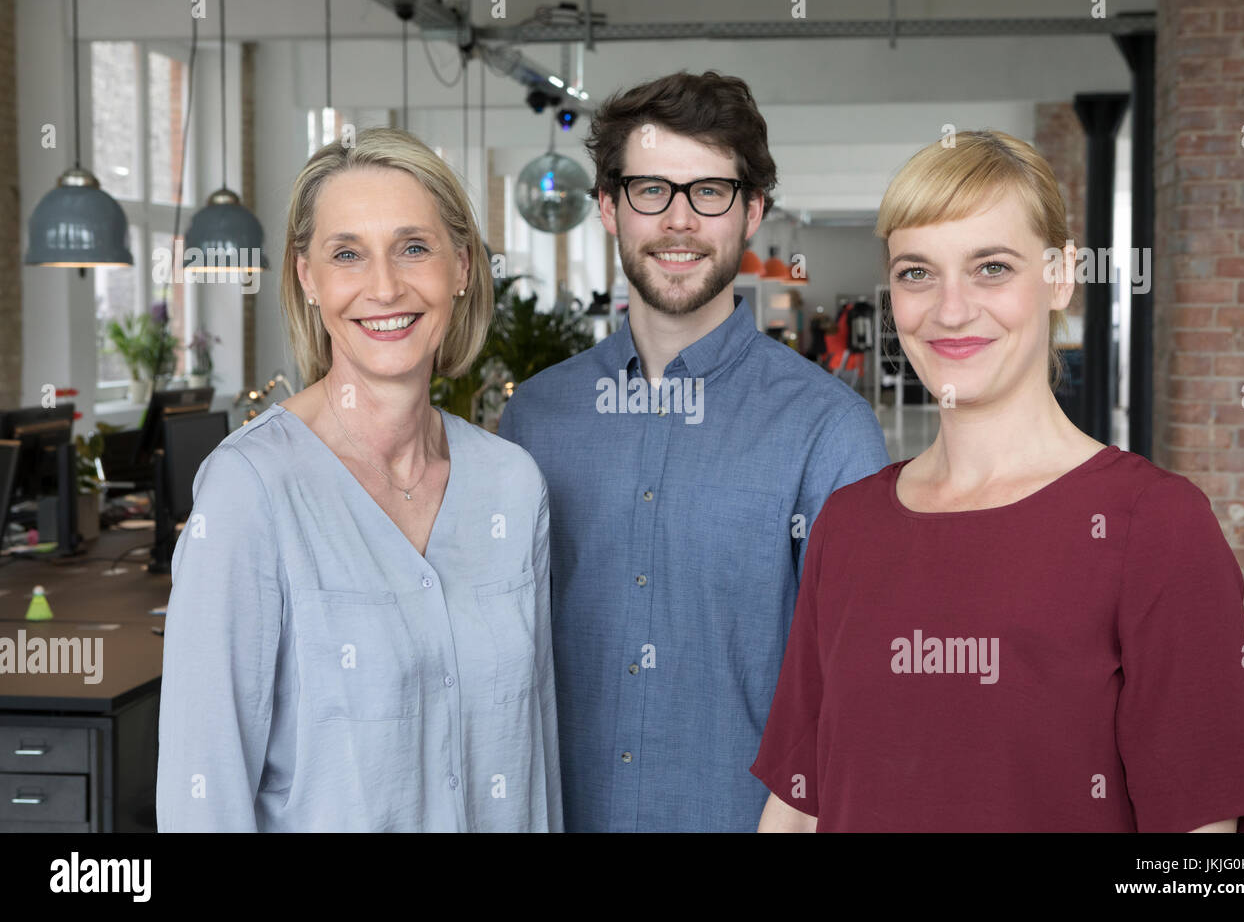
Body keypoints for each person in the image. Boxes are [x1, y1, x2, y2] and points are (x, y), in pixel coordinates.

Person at [752, 130, 1244, 832]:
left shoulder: (1154, 525)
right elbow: (798, 799)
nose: (951, 308)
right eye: (917, 272)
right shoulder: (848, 524)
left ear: (1060, 276)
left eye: (991, 267)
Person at [498, 71, 890, 832]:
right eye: (652, 190)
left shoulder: (829, 431)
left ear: (751, 211)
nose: (679, 221)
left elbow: (860, 692)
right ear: (609, 207)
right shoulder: (536, 421)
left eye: (708, 191)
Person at [156, 127, 561, 832]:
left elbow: (536, 760)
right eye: (347, 253)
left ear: (461, 267)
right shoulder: (251, 491)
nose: (384, 287)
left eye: (413, 247)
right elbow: (204, 800)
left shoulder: (512, 486)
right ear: (308, 277)